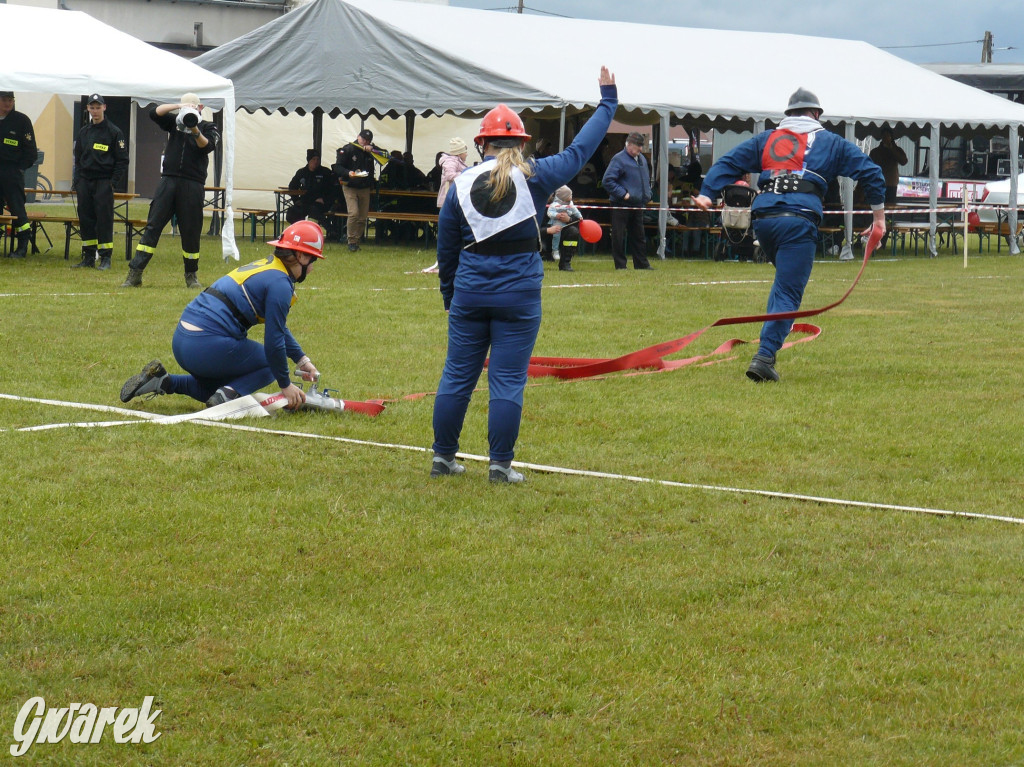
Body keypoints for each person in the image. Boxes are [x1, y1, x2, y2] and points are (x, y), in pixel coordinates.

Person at [430, 65, 617, 484]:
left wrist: (450, 297)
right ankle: (500, 466)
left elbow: (446, 251)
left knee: (457, 373)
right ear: (521, 141)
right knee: (509, 379)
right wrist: (608, 101)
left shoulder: (459, 185)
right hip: (519, 294)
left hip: (470, 293)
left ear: (482, 144)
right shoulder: (537, 175)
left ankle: (443, 459)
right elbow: (583, 148)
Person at [693, 87, 886, 383]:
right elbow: (872, 173)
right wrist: (879, 219)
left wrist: (707, 194)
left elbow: (728, 162)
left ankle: (768, 348)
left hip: (764, 220)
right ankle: (765, 356)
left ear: (788, 114)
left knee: (783, 283)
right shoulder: (830, 142)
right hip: (797, 220)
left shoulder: (767, 139)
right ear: (817, 114)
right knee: (788, 292)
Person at [119, 220, 324, 410]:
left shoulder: (268, 267)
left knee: (218, 389)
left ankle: (164, 381)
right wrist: (285, 384)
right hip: (205, 346)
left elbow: (277, 326)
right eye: (313, 259)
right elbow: (274, 340)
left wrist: (302, 360)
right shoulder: (281, 284)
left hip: (183, 341)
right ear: (302, 256)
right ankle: (227, 397)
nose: (313, 267)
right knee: (268, 364)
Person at [121, 93, 219, 289]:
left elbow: (207, 146)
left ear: (200, 108)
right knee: (153, 227)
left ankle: (191, 275)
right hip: (169, 181)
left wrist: (194, 128)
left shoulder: (208, 126)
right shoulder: (175, 122)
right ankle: (135, 273)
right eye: (185, 109)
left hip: (193, 184)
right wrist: (178, 107)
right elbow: (153, 113)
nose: (188, 112)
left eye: (192, 108)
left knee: (191, 231)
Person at [71, 94, 129, 271]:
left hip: (103, 182)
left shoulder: (114, 132)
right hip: (85, 182)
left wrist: (112, 182)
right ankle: (88, 256)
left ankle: (105, 257)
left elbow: (122, 160)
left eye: (98, 107)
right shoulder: (84, 132)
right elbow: (78, 158)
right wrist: (78, 180)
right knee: (86, 218)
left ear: (104, 107)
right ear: (88, 109)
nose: (95, 111)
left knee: (104, 220)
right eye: (92, 107)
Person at [602, 131, 653, 270]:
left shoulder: (641, 158)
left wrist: (647, 193)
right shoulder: (618, 159)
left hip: (637, 204)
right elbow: (607, 181)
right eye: (638, 146)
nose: (641, 149)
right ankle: (620, 265)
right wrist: (622, 193)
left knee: (639, 236)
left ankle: (641, 264)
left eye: (641, 146)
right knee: (618, 236)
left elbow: (645, 179)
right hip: (621, 204)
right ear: (629, 145)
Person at [422, 138, 471, 274]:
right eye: (465, 151)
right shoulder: (450, 161)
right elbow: (450, 175)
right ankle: (447, 260)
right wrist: (467, 175)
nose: (467, 154)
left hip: (456, 201)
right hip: (449, 201)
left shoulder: (458, 162)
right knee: (450, 233)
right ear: (459, 152)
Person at [0, 91, 38, 259]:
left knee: (17, 208)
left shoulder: (21, 121)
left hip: (12, 171)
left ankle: (22, 245)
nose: (7, 103)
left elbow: (31, 151)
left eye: (10, 100)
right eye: (3, 100)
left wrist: (20, 169)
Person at [334, 128, 378, 252]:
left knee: (362, 217)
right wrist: (348, 173)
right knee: (354, 213)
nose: (364, 142)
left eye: (367, 140)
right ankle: (351, 240)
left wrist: (373, 149)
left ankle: (356, 240)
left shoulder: (370, 150)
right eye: (363, 139)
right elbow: (337, 167)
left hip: (364, 187)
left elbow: (385, 154)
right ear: (358, 137)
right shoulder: (348, 149)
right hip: (350, 186)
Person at [869, 127, 907, 248]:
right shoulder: (876, 151)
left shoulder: (896, 149)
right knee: (875, 212)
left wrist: (892, 148)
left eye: (888, 136)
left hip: (891, 185)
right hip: (877, 185)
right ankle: (873, 238)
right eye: (884, 136)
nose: (886, 138)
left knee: (889, 214)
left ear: (892, 137)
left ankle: (884, 240)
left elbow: (904, 161)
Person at [286, 149, 334, 225]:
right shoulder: (302, 172)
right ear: (308, 160)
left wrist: (325, 199)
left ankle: (331, 231)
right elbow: (292, 187)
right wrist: (296, 200)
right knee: (292, 212)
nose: (316, 162)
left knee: (314, 211)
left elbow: (332, 189)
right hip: (305, 201)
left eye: (318, 159)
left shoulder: (325, 172)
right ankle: (299, 231)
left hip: (320, 203)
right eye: (313, 159)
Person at [546, 185, 582, 264]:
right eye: (569, 195)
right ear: (564, 196)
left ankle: (568, 256)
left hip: (567, 225)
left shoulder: (571, 203)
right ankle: (555, 250)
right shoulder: (554, 204)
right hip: (556, 223)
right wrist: (556, 215)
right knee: (556, 235)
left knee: (573, 231)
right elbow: (549, 212)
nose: (571, 197)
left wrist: (577, 217)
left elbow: (575, 211)